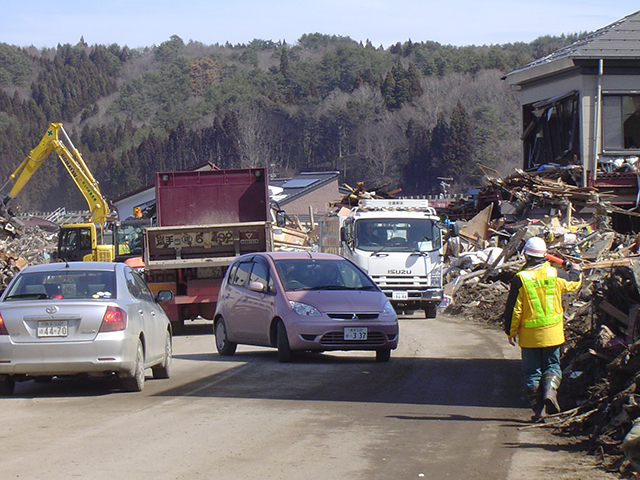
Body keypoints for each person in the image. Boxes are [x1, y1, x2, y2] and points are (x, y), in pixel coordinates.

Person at [502, 236, 582, 422]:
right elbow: (573, 283)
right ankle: (550, 393)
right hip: (553, 333)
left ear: (526, 256)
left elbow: (514, 310)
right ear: (545, 256)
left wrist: (510, 331)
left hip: (530, 337)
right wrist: (576, 270)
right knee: (552, 365)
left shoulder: (520, 279)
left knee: (532, 372)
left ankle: (539, 411)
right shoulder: (555, 274)